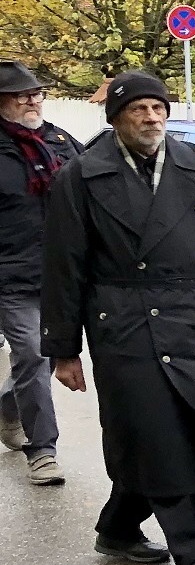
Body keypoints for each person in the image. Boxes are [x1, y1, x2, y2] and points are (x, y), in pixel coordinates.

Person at [40, 71, 195, 565]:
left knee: (172, 431)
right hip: (125, 320)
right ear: (116, 117)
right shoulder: (81, 176)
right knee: (159, 431)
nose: (151, 117)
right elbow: (64, 266)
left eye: (158, 107)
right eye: (139, 109)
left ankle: (118, 526)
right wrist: (63, 349)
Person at [0, 61, 82, 485]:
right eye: (20, 95)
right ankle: (43, 450)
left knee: (43, 356)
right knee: (33, 354)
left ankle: (9, 407)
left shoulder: (62, 143)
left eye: (37, 93)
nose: (33, 100)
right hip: (13, 276)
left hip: (64, 272)